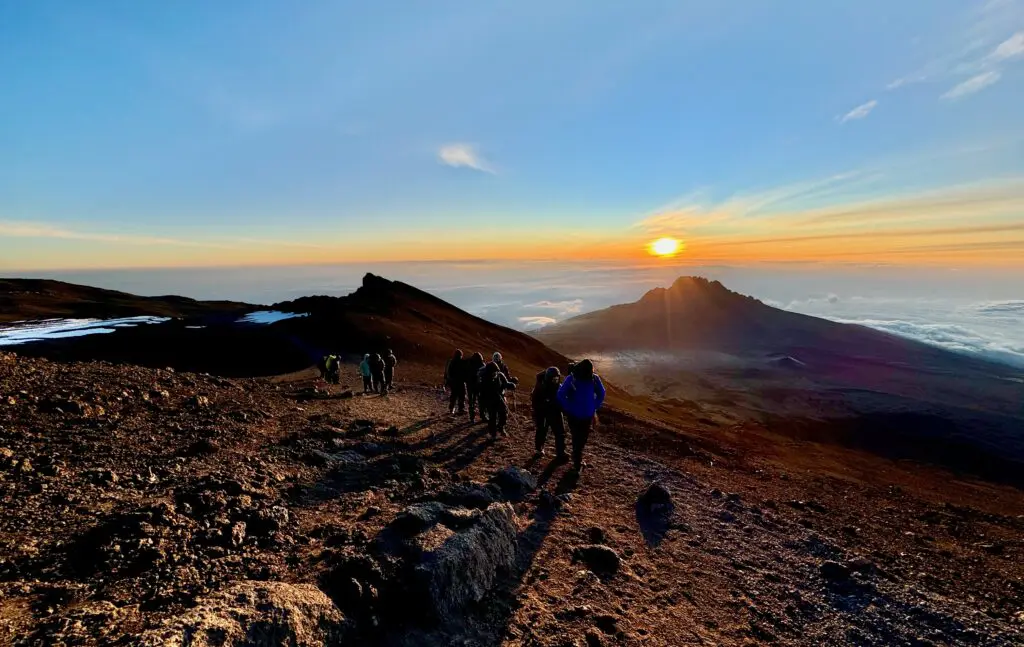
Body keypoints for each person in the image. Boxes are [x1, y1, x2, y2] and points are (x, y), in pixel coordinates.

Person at [556, 359, 605, 475]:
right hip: (586, 414)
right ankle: (577, 463)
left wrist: (568, 407)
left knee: (577, 437)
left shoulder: (573, 378)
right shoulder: (593, 378)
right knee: (581, 439)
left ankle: (576, 458)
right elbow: (602, 393)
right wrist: (594, 405)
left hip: (574, 414)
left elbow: (561, 394)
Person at [532, 366, 567, 461]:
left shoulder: (559, 387)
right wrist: (541, 408)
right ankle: (539, 449)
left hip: (556, 412)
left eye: (557, 378)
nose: (556, 381)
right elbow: (534, 401)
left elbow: (563, 400)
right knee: (542, 431)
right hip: (543, 412)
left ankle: (561, 452)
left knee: (560, 432)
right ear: (548, 378)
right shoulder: (540, 386)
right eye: (554, 379)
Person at [479, 360, 516, 438]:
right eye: (493, 372)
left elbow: (506, 383)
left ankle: (501, 427)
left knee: (504, 414)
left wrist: (511, 385)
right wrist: (484, 402)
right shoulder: (484, 378)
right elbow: (482, 392)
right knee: (492, 417)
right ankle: (493, 434)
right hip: (490, 400)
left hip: (500, 398)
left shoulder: (500, 375)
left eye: (496, 372)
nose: (495, 373)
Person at [465, 351, 486, 423]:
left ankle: (472, 417)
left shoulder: (468, 363)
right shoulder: (482, 364)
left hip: (470, 386)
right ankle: (483, 416)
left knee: (471, 402)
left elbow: (465, 374)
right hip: (478, 386)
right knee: (481, 401)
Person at [444, 349, 466, 415]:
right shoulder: (462, 362)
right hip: (460, 382)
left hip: (453, 381)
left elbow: (447, 372)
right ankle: (460, 409)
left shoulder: (451, 361)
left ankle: (451, 409)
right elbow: (465, 372)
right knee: (461, 395)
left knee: (453, 395)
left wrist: (447, 381)